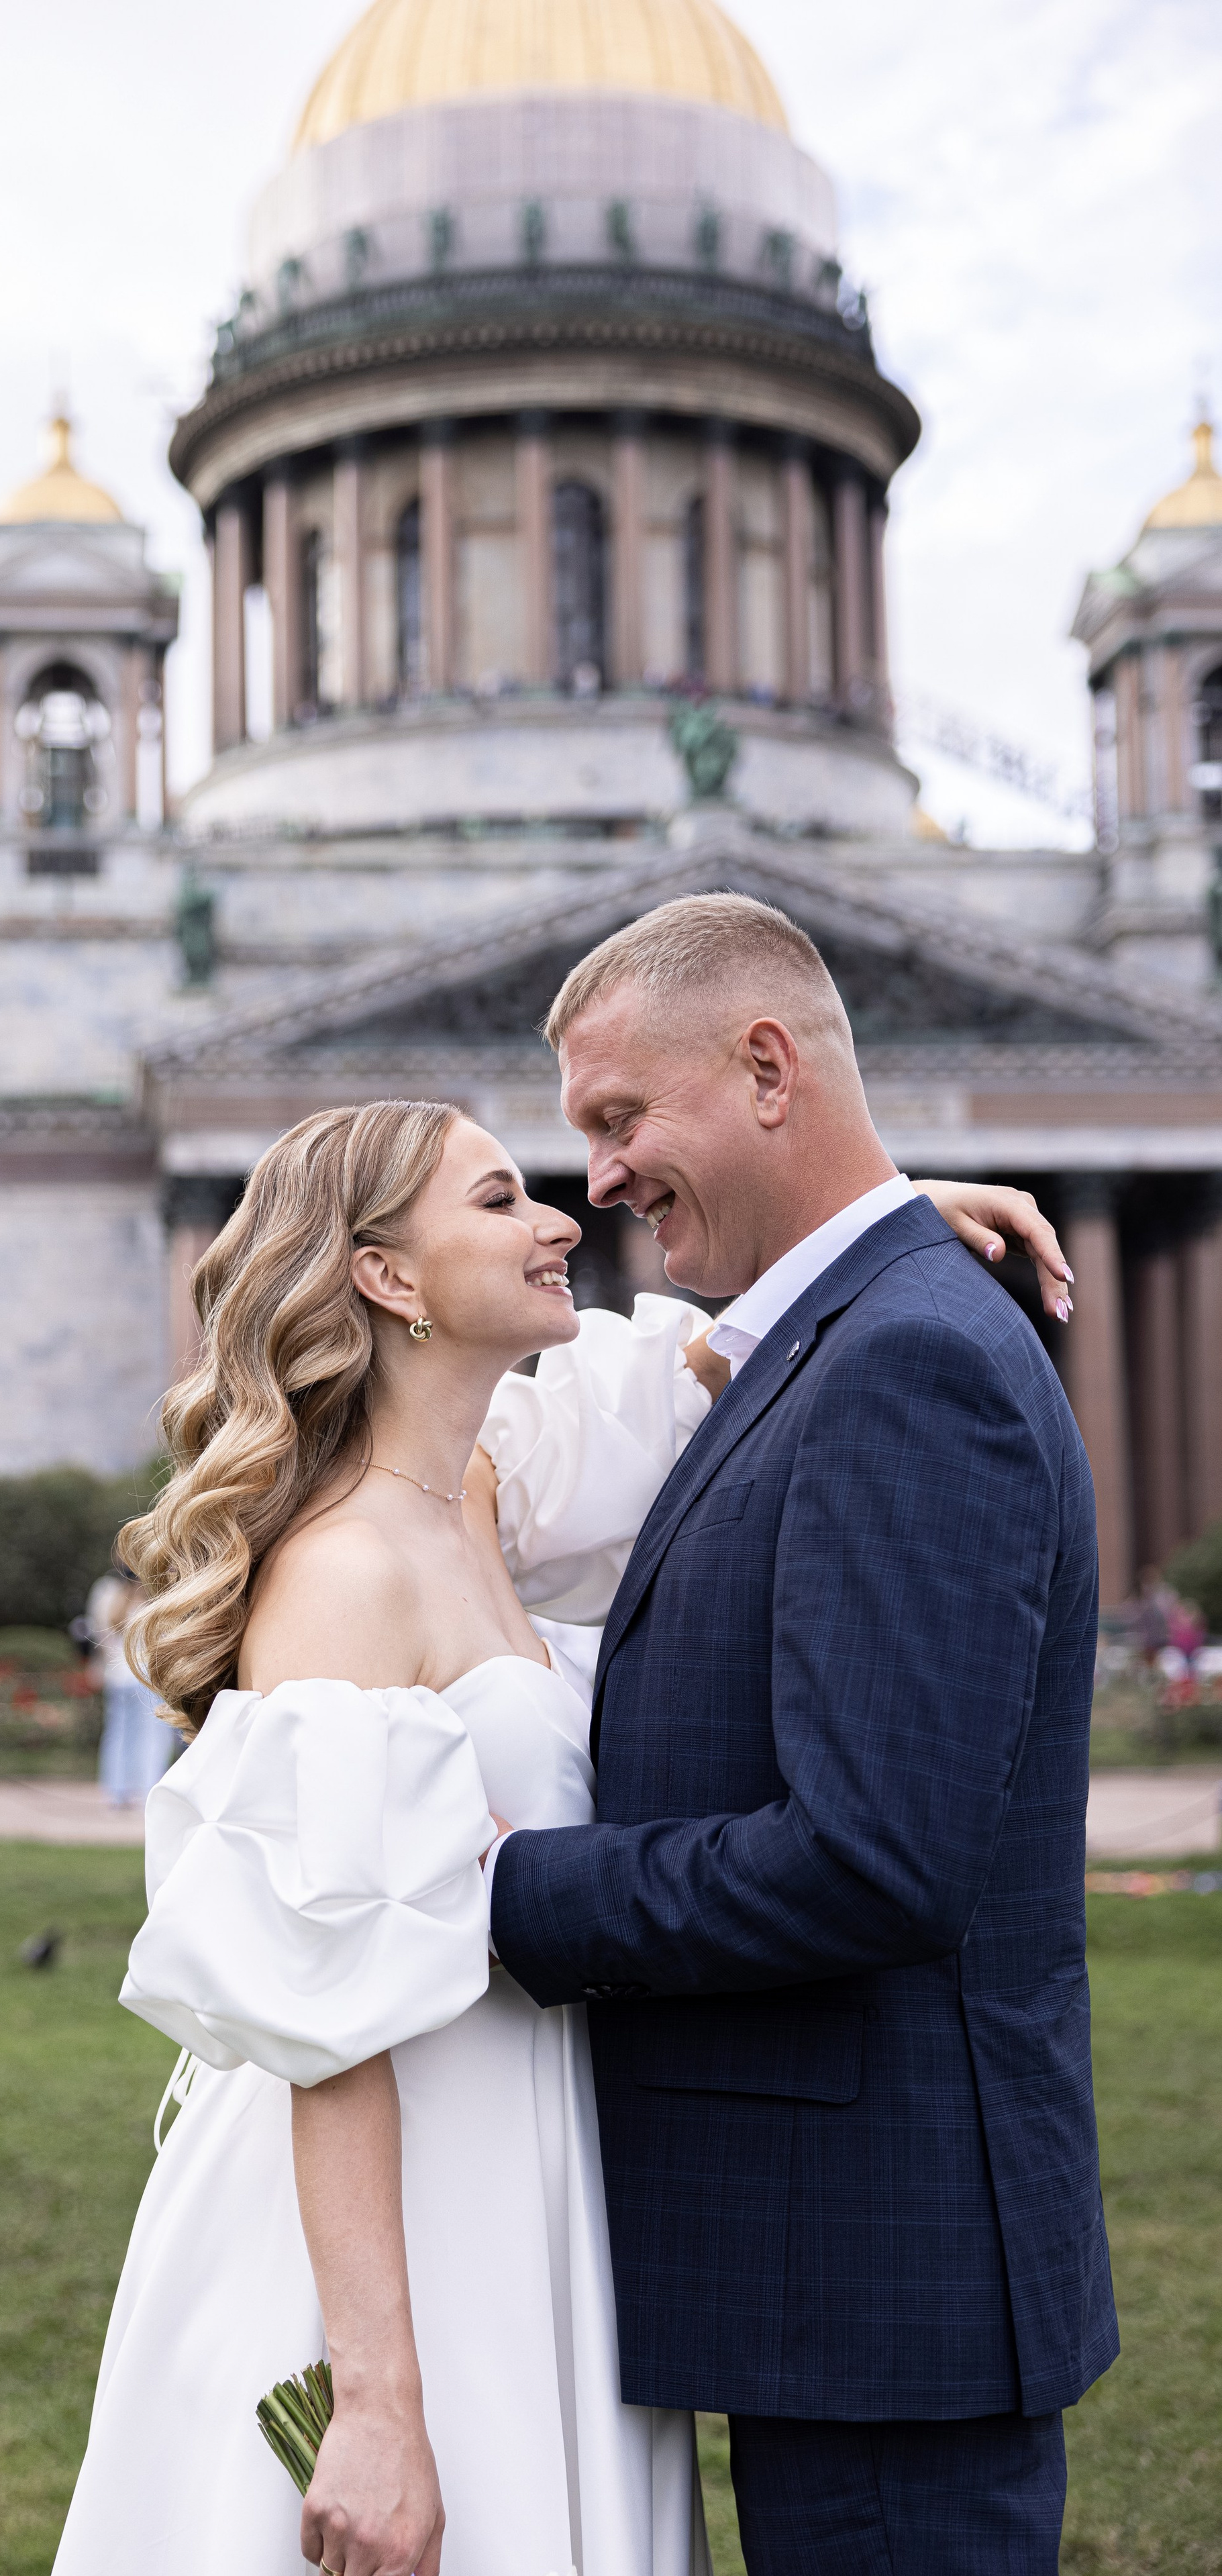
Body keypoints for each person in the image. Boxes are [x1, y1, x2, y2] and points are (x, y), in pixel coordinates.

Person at [49, 1076, 1075, 2576]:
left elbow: (726, 1372)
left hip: (535, 2173)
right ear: (385, 1277)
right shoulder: (341, 1572)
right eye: (494, 1198)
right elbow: (328, 2018)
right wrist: (380, 2400)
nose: (559, 1217)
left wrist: (873, 1223)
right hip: (390, 2214)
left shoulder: (481, 1485)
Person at [489, 895, 1116, 2575]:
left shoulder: (904, 1360)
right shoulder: (845, 1334)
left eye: (619, 1118)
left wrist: (496, 1894)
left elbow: (866, 1861)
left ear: (765, 1067)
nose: (597, 1179)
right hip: (839, 2275)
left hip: (878, 2287)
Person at [87, 1569, 174, 1806]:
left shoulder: (112, 1600)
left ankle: (116, 1790)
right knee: (153, 1737)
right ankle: (149, 1789)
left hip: (117, 1678)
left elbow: (100, 1639)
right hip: (144, 1678)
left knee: (117, 1734)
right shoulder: (151, 1603)